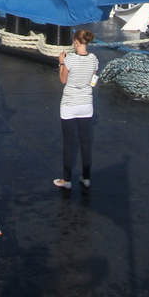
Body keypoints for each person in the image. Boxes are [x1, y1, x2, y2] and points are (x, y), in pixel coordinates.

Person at [54, 29, 98, 191]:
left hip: (69, 104)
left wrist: (61, 63)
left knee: (69, 143)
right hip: (86, 104)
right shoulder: (94, 59)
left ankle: (66, 179)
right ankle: (86, 177)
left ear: (77, 42)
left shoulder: (70, 59)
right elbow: (93, 79)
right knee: (85, 142)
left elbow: (63, 80)